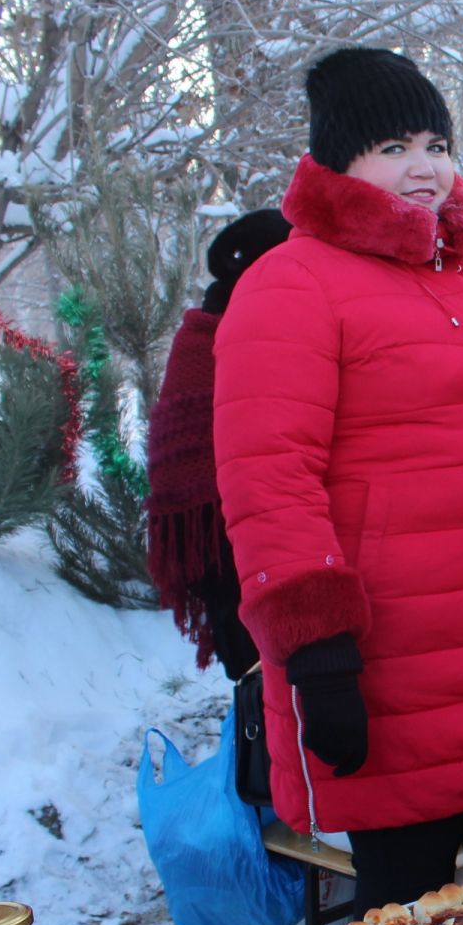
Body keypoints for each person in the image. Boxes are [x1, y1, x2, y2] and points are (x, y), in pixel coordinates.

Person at [213, 47, 463, 915]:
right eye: (394, 145)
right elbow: (269, 481)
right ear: (339, 160)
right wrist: (316, 654)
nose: (423, 167)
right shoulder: (290, 285)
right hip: (391, 683)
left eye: (437, 143)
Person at [146, 208, 291, 678]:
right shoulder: (210, 334)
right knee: (252, 662)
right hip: (221, 539)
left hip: (274, 526)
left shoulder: (273, 321)